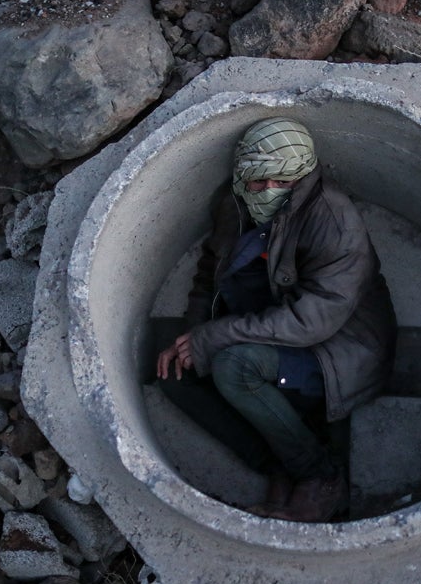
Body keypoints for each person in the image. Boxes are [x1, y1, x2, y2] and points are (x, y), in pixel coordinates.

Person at [156, 117, 396, 522]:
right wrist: (193, 336)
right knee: (175, 375)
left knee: (235, 367)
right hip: (266, 323)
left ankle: (320, 476)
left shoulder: (333, 221)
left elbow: (313, 321)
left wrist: (217, 337)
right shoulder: (233, 206)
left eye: (282, 182)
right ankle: (280, 461)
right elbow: (207, 276)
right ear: (242, 178)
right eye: (258, 182)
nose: (269, 192)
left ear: (301, 177)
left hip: (337, 349)